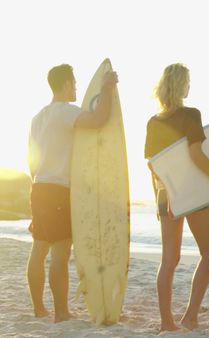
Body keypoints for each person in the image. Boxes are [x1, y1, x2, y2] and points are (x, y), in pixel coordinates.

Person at [27, 64, 118, 322]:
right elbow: (99, 120)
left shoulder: (38, 117)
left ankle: (38, 308)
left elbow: (30, 160)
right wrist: (106, 88)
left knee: (39, 249)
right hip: (58, 191)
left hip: (39, 186)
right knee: (60, 253)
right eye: (75, 83)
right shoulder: (66, 112)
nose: (77, 87)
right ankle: (61, 313)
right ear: (66, 84)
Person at [144, 63, 209, 331]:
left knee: (168, 260)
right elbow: (196, 154)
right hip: (191, 193)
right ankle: (190, 316)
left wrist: (163, 196)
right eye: (188, 82)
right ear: (182, 85)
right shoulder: (191, 115)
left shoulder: (153, 121)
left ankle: (166, 321)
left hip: (165, 193)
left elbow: (152, 164)